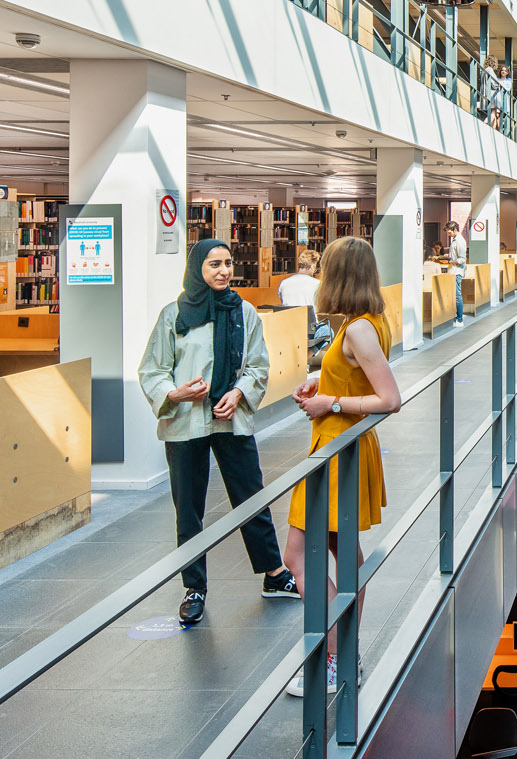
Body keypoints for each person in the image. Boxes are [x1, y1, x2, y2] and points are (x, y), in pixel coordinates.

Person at [138, 239, 296, 626]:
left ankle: (274, 574)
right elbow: (152, 370)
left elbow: (259, 366)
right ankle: (194, 587)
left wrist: (239, 391)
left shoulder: (245, 312)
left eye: (227, 263)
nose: (224, 271)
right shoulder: (173, 315)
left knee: (250, 496)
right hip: (185, 421)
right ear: (197, 269)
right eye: (214, 265)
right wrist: (174, 393)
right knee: (188, 508)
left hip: (231, 418)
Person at [285, 237, 402, 697]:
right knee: (345, 556)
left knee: (296, 557)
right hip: (341, 448)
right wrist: (321, 380)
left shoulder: (358, 330)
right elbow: (356, 373)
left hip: (337, 451)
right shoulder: (364, 322)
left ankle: (336, 659)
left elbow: (389, 399)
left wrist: (330, 401)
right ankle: (344, 653)